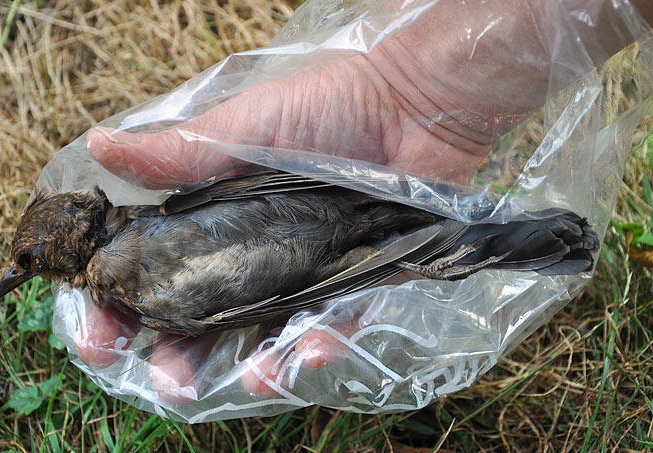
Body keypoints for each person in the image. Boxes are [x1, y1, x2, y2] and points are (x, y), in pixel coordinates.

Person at [75, 1, 652, 402]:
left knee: (430, 244)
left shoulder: (149, 260)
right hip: (339, 212)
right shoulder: (158, 216)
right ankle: (496, 239)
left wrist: (401, 94)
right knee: (431, 242)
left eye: (30, 264)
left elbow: (271, 230)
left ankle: (496, 240)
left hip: (337, 216)